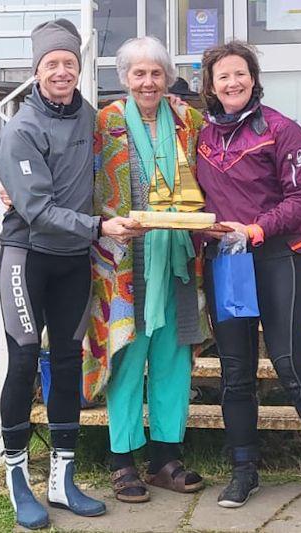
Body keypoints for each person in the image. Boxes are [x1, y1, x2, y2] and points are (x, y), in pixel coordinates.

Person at [0, 19, 140, 529]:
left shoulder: (92, 120)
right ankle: (17, 480)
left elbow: (119, 159)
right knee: (24, 358)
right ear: (36, 71)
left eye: (69, 63)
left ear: (79, 70)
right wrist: (101, 226)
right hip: (27, 257)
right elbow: (36, 209)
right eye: (51, 63)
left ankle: (61, 479)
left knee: (68, 362)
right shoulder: (21, 128)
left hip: (74, 260)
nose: (61, 71)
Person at [195, 40, 301, 515]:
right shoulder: (199, 136)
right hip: (225, 260)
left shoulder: (283, 129)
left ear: (254, 78)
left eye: (240, 73)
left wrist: (258, 228)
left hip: (278, 258)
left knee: (290, 366)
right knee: (235, 373)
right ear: (211, 86)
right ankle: (243, 471)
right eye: (223, 76)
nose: (232, 82)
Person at [85, 35, 210, 504]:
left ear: (168, 77)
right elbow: (74, 170)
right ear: (123, 79)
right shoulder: (104, 122)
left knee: (172, 358)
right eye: (138, 73)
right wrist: (12, 186)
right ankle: (122, 461)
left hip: (177, 258)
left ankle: (165, 458)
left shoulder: (188, 120)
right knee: (126, 358)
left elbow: (212, 171)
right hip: (123, 262)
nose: (148, 81)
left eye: (156, 73)